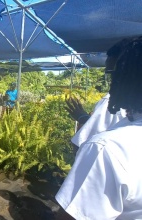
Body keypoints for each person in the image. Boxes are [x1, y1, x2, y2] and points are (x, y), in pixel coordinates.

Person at [56, 38, 142, 219]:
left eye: (111, 73)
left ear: (128, 75)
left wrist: (82, 122)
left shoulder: (106, 148)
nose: (109, 79)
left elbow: (75, 214)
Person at [65, 38, 131, 148]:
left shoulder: (112, 102)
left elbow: (85, 146)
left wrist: (83, 119)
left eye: (110, 72)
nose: (110, 79)